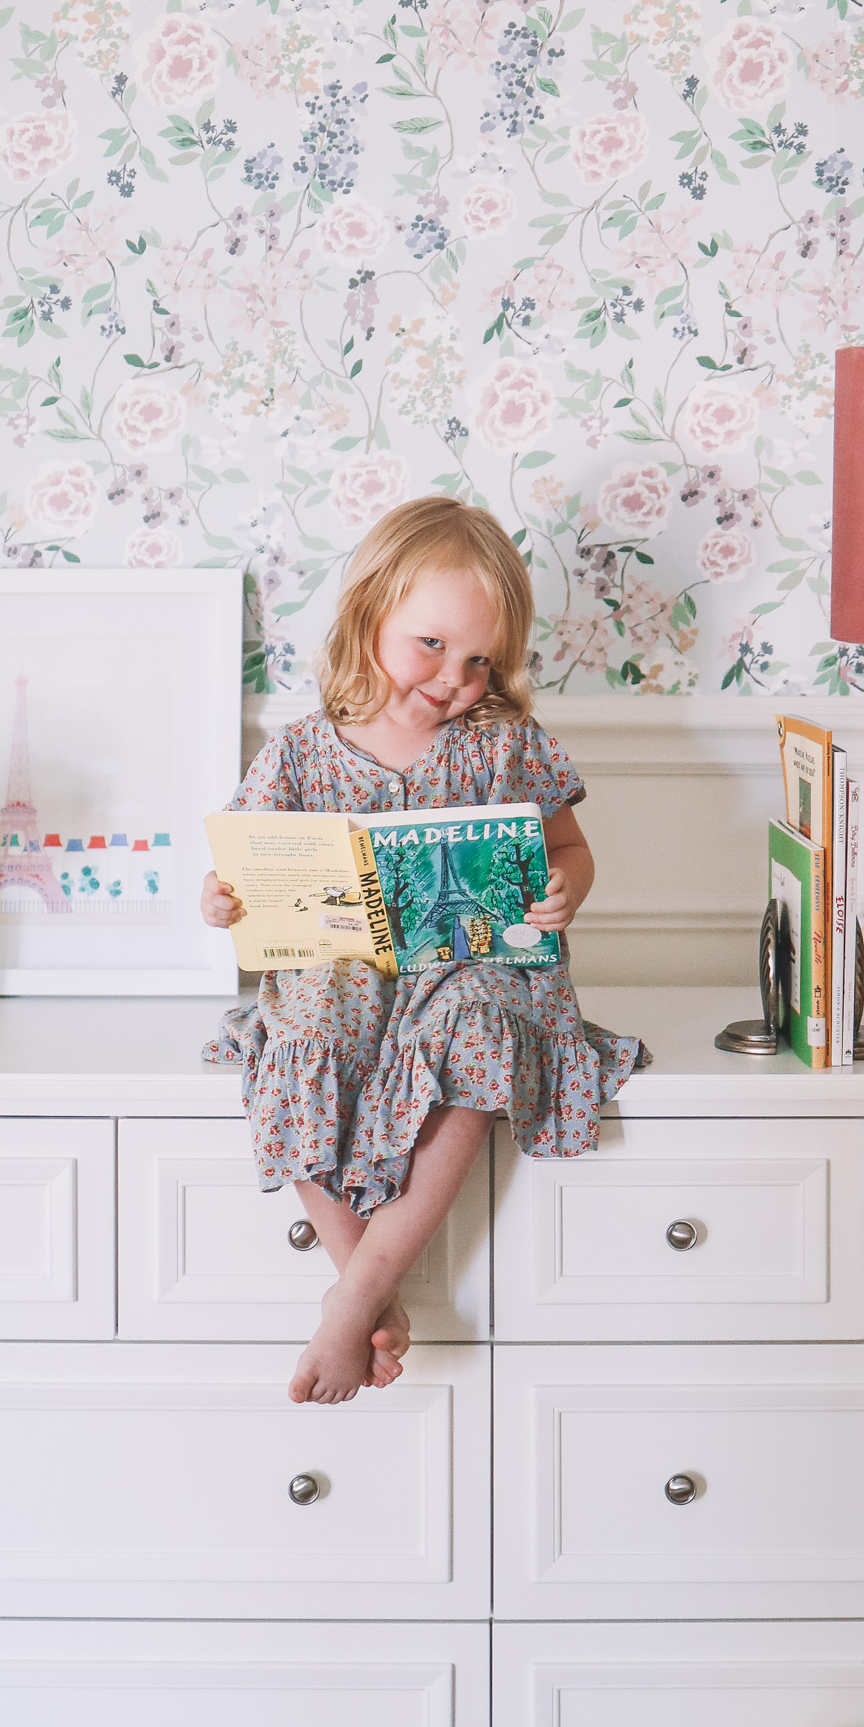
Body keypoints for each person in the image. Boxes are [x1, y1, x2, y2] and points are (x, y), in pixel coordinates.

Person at [202, 496, 648, 1406]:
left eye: (481, 660)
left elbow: (569, 848)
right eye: (433, 645)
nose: (455, 677)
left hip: (475, 970)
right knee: (308, 1027)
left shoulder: (503, 744)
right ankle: (366, 1286)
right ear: (370, 614)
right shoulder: (297, 754)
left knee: (476, 1027)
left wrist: (568, 886)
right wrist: (222, 898)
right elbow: (241, 865)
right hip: (347, 967)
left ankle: (357, 1296)